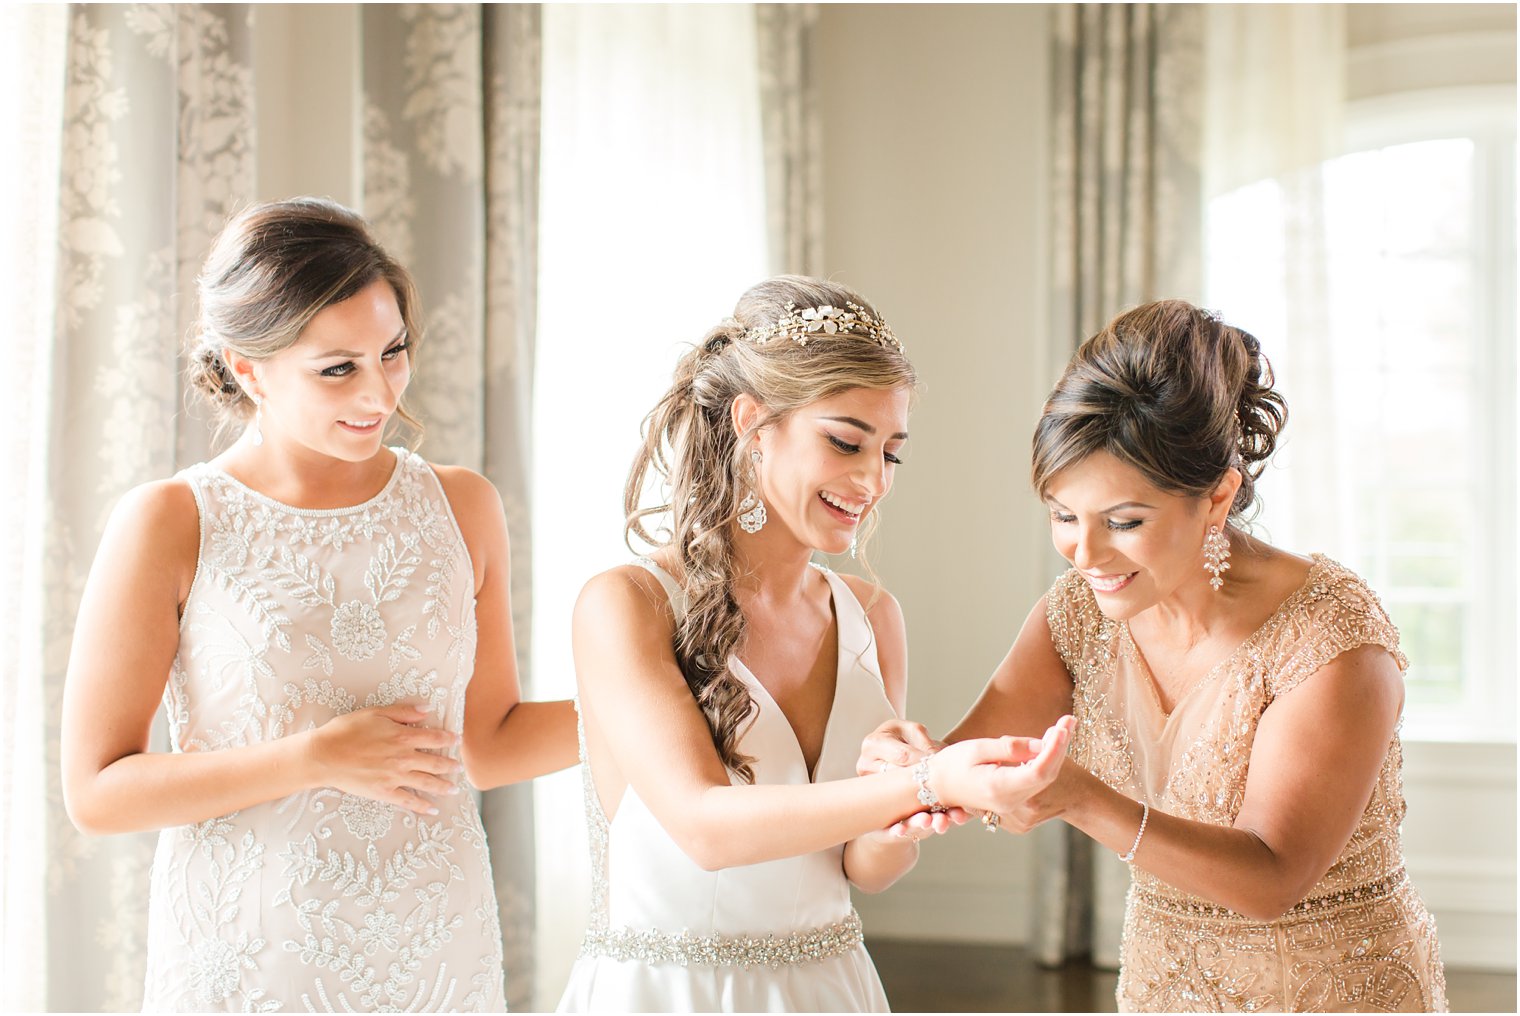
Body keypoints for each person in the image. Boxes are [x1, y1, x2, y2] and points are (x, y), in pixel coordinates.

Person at [60, 197, 577, 1012]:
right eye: (338, 368)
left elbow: (492, 742)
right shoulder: (171, 521)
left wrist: (671, 698)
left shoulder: (462, 505)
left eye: (394, 352)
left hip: (436, 946)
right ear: (247, 368)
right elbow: (96, 791)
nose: (379, 392)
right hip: (252, 957)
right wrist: (313, 757)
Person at [861, 299, 1447, 1013]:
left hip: (1332, 988)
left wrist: (1077, 797)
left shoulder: (1329, 637)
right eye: (1062, 516)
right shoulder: (1076, 613)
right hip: (1162, 983)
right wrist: (915, 760)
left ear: (1218, 497)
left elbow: (1271, 878)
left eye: (1124, 522)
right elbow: (973, 755)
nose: (1086, 553)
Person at [557, 276, 1074, 1013]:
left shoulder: (872, 615)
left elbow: (866, 869)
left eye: (891, 453)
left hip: (832, 989)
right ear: (753, 424)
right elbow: (704, 827)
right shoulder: (626, 604)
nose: (872, 481)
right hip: (670, 996)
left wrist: (904, 813)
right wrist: (926, 784)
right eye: (845, 442)